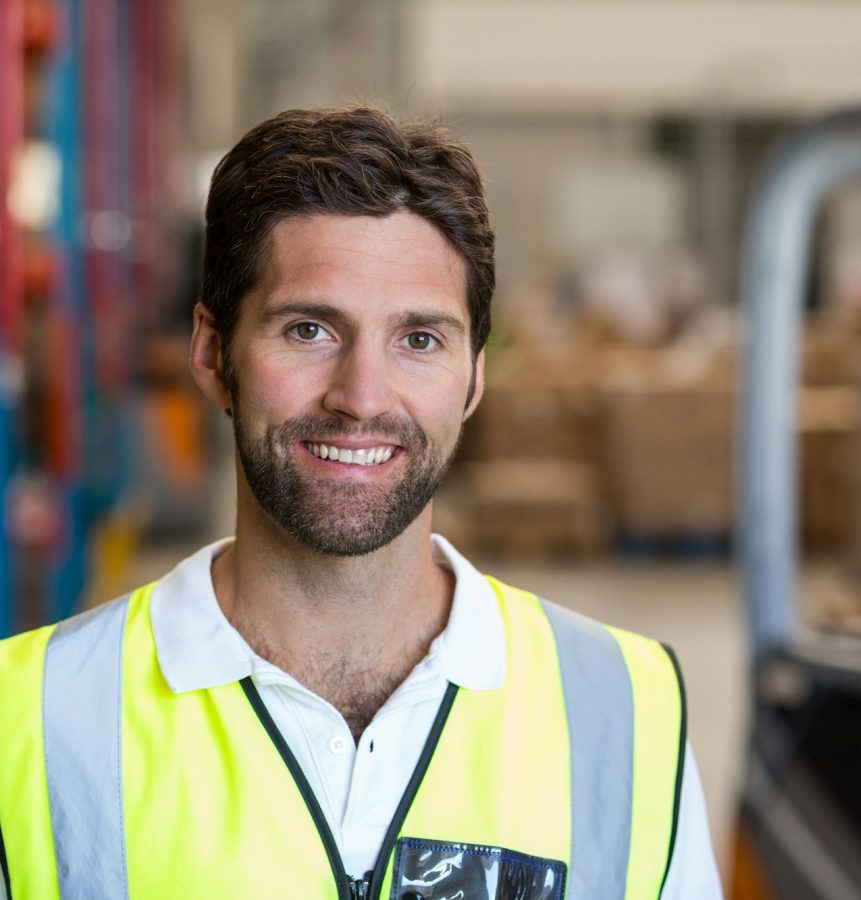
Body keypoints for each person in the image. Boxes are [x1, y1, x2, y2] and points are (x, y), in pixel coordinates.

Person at [0, 106, 722, 899]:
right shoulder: (29, 717)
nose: (363, 399)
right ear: (211, 354)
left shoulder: (626, 706)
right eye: (310, 330)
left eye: (419, 340)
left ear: (475, 377)